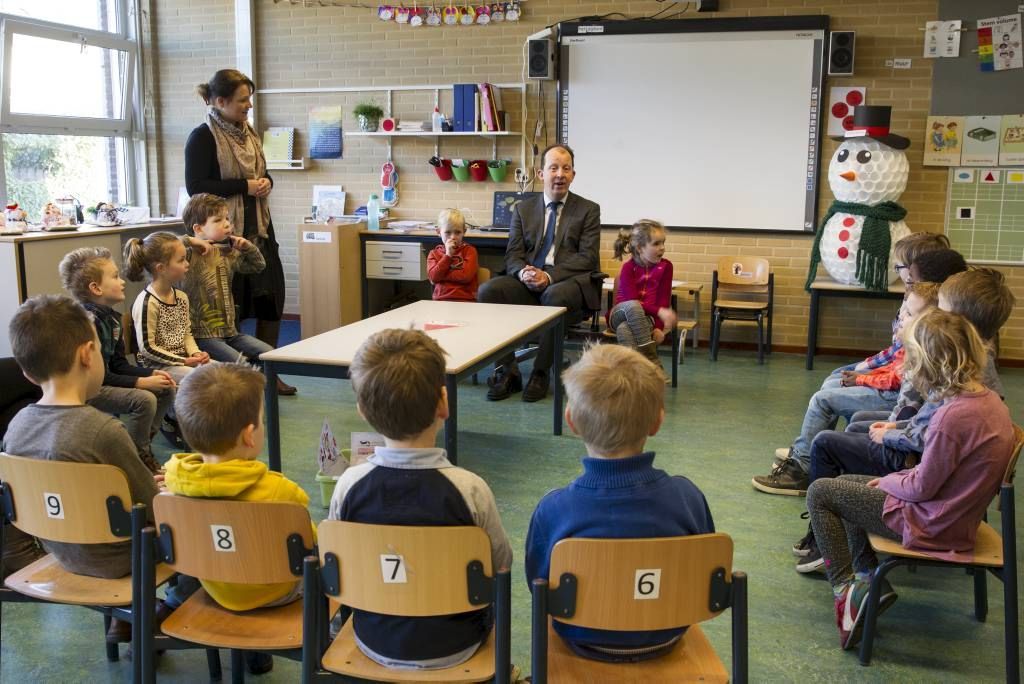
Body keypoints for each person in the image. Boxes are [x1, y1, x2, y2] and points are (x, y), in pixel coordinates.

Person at [805, 309, 1015, 651]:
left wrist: (889, 482)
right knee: (854, 486)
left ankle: (845, 590)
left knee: (821, 493)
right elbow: (934, 474)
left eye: (913, 360)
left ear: (932, 364)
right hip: (953, 512)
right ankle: (868, 581)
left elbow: (921, 487)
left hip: (934, 522)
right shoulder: (989, 402)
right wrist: (893, 480)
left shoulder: (952, 416)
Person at [328, 329, 512, 670]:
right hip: (458, 644)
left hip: (373, 639)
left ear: (363, 412)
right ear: (444, 403)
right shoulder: (470, 489)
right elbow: (501, 565)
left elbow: (337, 563)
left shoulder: (348, 484)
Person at [525, 344, 713, 661]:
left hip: (581, 636)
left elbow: (538, 587)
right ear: (657, 422)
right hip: (667, 632)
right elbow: (705, 573)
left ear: (571, 421)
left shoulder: (554, 509)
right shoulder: (687, 497)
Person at [3, 295, 161, 642]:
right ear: (88, 354)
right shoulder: (104, 431)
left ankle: (127, 619)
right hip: (122, 558)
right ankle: (164, 613)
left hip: (60, 549)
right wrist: (164, 485)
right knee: (190, 522)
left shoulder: (15, 427)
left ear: (27, 371)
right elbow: (154, 508)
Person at [754, 245, 967, 496]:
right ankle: (813, 454)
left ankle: (804, 465)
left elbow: (904, 391)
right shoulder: (932, 324)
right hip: (901, 421)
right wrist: (864, 371)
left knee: (824, 400)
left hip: (899, 423)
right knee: (837, 388)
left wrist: (866, 381)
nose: (905, 278)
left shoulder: (932, 343)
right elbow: (895, 359)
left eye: (908, 273)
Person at [164, 363, 310, 612]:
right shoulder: (281, 492)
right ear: (249, 435)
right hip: (275, 591)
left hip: (214, 585)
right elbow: (310, 546)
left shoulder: (173, 485)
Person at [186, 68, 293, 394]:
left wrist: (265, 183)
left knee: (271, 300)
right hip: (222, 238)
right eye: (242, 100)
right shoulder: (202, 137)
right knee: (230, 308)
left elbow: (264, 173)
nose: (248, 106)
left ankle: (269, 373)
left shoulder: (250, 134)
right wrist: (245, 186)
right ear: (220, 101)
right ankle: (235, 379)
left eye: (249, 99)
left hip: (257, 228)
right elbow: (196, 186)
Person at [477, 144, 601, 402]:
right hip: (529, 280)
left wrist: (549, 276)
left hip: (566, 283)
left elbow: (587, 258)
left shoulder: (588, 210)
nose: (560, 174)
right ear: (541, 173)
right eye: (553, 168)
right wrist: (523, 272)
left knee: (554, 295)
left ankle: (540, 372)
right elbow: (513, 254)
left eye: (566, 169)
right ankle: (507, 370)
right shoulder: (523, 209)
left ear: (573, 175)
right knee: (488, 290)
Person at [58, 246, 175, 473]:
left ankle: (135, 444)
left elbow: (119, 364)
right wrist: (141, 383)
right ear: (96, 288)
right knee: (144, 399)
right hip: (88, 388)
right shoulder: (89, 322)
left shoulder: (113, 319)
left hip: (106, 381)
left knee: (166, 388)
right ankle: (138, 455)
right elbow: (99, 376)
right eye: (115, 277)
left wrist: (150, 374)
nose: (122, 282)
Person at [179, 194, 289, 387]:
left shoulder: (227, 253)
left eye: (227, 219)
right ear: (198, 228)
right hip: (203, 334)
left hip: (230, 331)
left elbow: (258, 266)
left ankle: (263, 398)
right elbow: (156, 244)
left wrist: (248, 248)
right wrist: (190, 241)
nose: (227, 224)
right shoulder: (187, 254)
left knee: (269, 354)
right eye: (218, 220)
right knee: (242, 365)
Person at [124, 231, 211, 382]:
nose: (187, 264)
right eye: (181, 260)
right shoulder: (147, 302)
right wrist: (183, 361)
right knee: (206, 380)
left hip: (181, 360)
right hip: (156, 366)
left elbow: (186, 334)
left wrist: (196, 354)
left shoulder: (181, 297)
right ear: (161, 268)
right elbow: (148, 348)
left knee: (224, 373)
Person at [608, 220, 677, 382]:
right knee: (633, 306)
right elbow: (633, 302)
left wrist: (659, 327)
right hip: (619, 314)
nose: (662, 248)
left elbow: (663, 298)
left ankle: (635, 376)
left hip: (645, 320)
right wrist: (659, 312)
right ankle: (651, 359)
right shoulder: (628, 268)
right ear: (640, 248)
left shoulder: (666, 267)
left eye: (663, 243)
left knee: (625, 330)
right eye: (656, 244)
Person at [427, 208, 479, 302]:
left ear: (464, 232)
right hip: (440, 300)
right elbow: (433, 277)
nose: (453, 237)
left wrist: (442, 276)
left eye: (458, 232)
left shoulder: (470, 251)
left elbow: (466, 277)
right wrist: (448, 256)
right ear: (438, 232)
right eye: (448, 232)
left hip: (466, 300)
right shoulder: (434, 253)